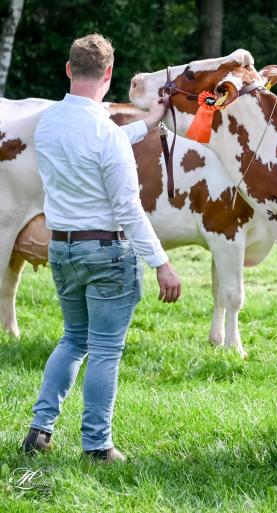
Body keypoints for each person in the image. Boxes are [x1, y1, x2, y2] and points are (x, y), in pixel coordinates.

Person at [21, 34, 181, 463]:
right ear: (108, 75)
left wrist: (147, 124)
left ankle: (40, 429)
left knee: (73, 339)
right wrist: (162, 263)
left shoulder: (48, 122)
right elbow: (129, 209)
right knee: (106, 350)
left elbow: (96, 139)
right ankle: (97, 444)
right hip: (107, 253)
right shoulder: (105, 137)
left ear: (69, 70)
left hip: (62, 248)